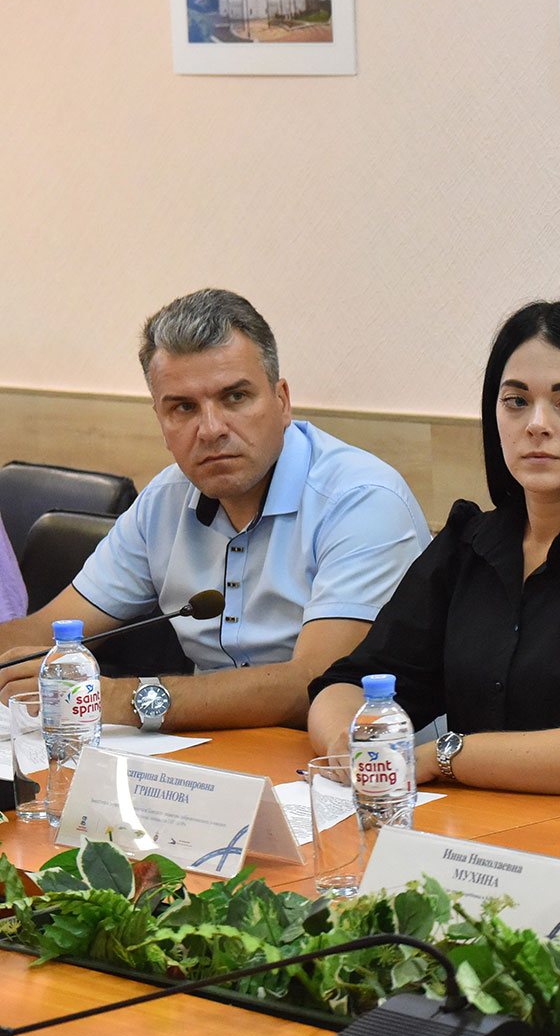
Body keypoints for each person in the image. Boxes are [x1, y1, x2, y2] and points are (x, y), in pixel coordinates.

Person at [307, 300, 560, 796]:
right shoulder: (469, 545)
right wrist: (348, 741)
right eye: (516, 401)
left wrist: (444, 756)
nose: (536, 424)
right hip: (476, 827)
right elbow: (351, 681)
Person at [0, 289, 430, 731]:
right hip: (214, 753)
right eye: (184, 407)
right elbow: (47, 632)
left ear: (282, 401)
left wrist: (115, 698)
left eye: (235, 397)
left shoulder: (362, 499)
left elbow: (314, 683)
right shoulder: (164, 500)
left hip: (362, 762)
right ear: (160, 420)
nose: (210, 429)